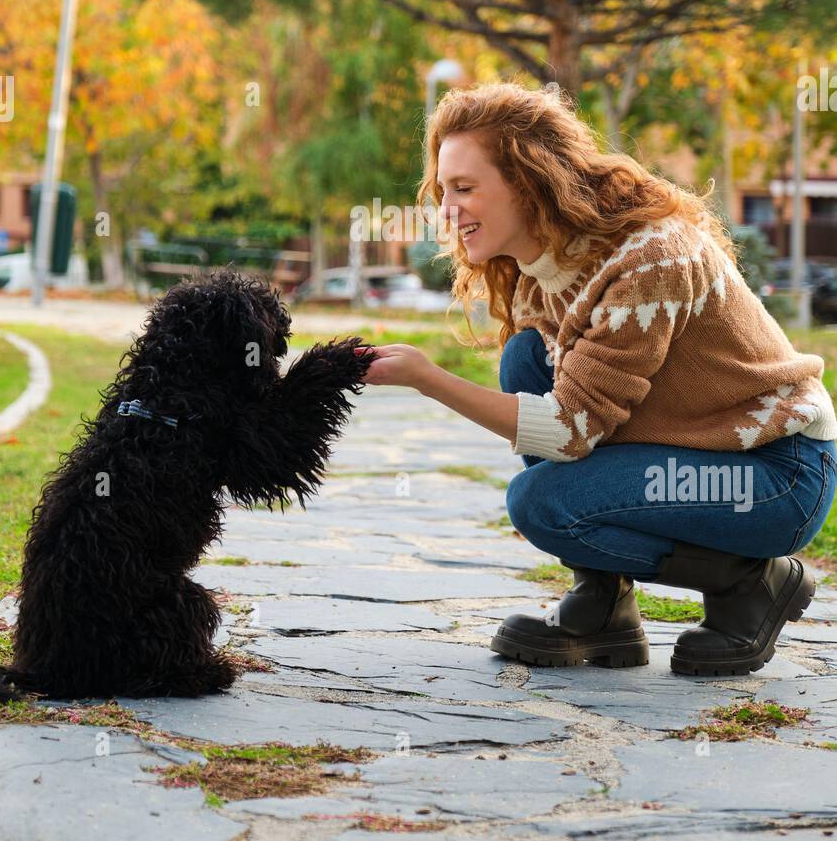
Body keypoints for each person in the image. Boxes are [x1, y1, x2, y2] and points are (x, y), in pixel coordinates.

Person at [356, 80, 837, 678]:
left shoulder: (650, 258)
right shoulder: (545, 265)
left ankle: (752, 582)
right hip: (705, 452)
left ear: (527, 182)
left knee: (544, 505)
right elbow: (569, 403)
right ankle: (605, 604)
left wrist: (429, 379)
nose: (446, 210)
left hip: (775, 473)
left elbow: (569, 431)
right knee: (527, 358)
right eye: (442, 190)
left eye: (464, 188)